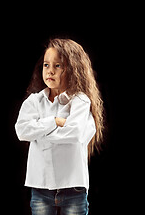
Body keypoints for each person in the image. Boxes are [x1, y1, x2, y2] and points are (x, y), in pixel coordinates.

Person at [15, 38, 104, 215]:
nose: (50, 71)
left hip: (74, 188)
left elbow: (75, 134)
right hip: (40, 187)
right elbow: (21, 131)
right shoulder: (34, 101)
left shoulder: (80, 101)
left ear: (72, 68)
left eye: (58, 66)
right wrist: (54, 121)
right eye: (46, 65)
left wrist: (39, 134)